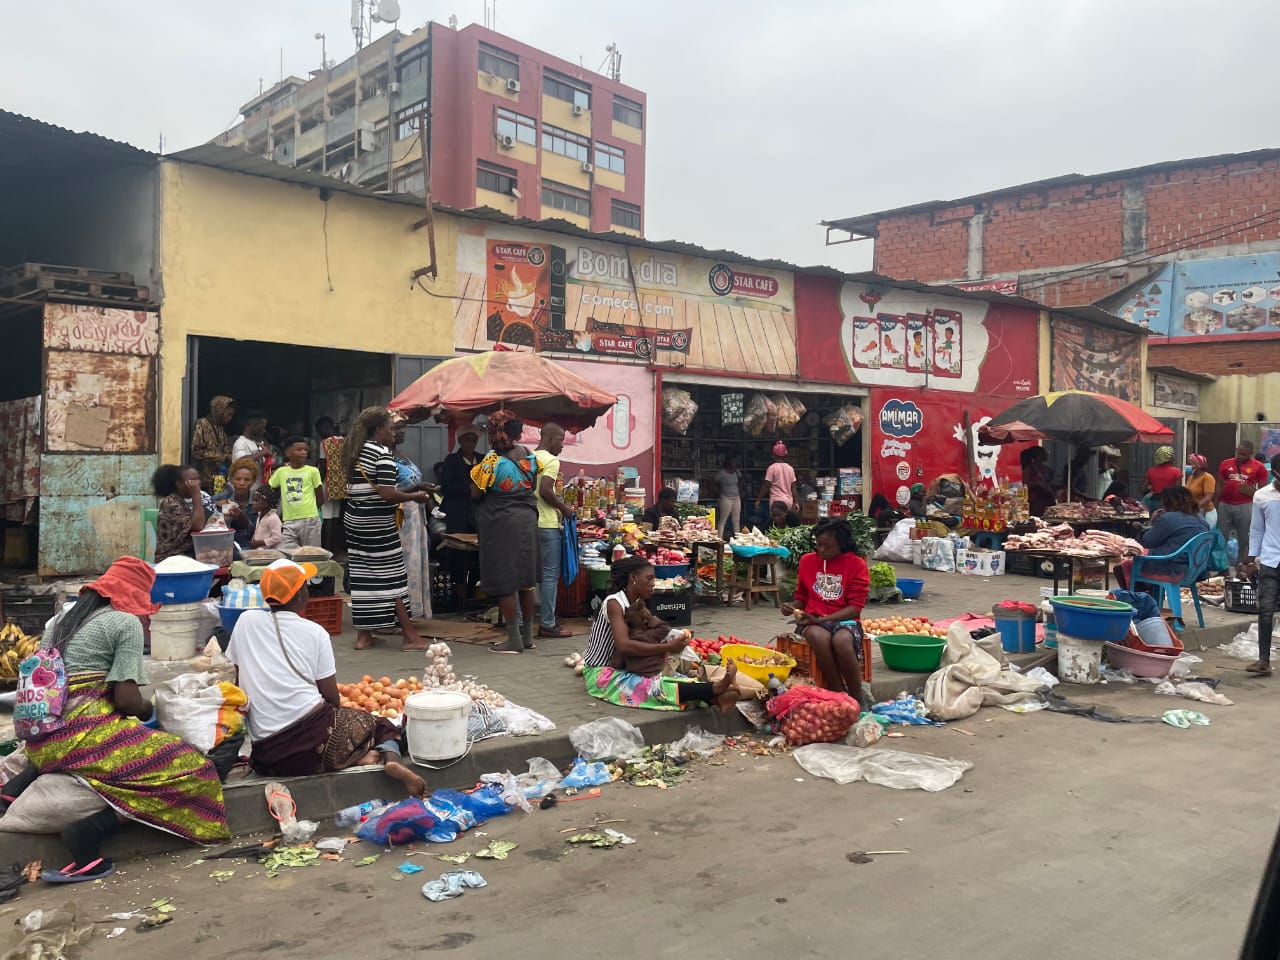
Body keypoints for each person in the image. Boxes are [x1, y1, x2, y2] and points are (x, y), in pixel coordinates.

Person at [4, 557, 229, 881]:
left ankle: (15, 787)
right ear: (135, 594)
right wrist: (153, 711)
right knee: (194, 767)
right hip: (81, 738)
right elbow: (126, 701)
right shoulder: (124, 624)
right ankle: (88, 835)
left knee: (88, 736)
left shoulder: (59, 622)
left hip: (42, 738)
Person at [227, 559, 426, 795]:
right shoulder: (315, 632)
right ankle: (391, 759)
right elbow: (331, 696)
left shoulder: (245, 622)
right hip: (313, 741)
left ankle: (354, 757)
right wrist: (341, 721)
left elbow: (237, 681)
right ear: (301, 593)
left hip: (268, 756)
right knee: (380, 725)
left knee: (327, 745)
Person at [581, 556, 740, 713]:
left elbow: (655, 630)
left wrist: (673, 638)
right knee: (653, 688)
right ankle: (716, 688)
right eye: (649, 578)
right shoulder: (614, 603)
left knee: (675, 679)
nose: (653, 583)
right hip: (601, 673)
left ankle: (715, 699)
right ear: (633, 578)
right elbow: (624, 645)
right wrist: (668, 647)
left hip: (624, 666)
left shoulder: (636, 603)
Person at [341, 407, 433, 652]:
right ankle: (410, 636)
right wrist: (417, 496)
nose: (395, 433)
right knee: (393, 577)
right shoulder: (381, 453)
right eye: (391, 428)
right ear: (378, 429)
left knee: (362, 576)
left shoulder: (354, 451)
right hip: (377, 523)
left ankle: (364, 636)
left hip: (354, 520)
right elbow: (388, 494)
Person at [470, 411, 540, 654]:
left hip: (501, 523)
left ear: (492, 433)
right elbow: (533, 484)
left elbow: (476, 494)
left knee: (505, 579)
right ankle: (527, 636)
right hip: (527, 520)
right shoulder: (528, 456)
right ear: (518, 433)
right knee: (525, 581)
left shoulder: (490, 461)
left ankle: (513, 640)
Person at [780, 518, 871, 706]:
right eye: (818, 545)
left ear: (842, 545)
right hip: (811, 622)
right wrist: (792, 606)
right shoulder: (807, 561)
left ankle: (857, 696)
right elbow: (802, 597)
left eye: (827, 546)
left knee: (842, 640)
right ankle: (839, 693)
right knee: (819, 636)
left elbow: (855, 607)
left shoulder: (856, 565)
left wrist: (823, 619)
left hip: (845, 620)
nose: (821, 550)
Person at [1115, 485, 1209, 590]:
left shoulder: (1168, 518)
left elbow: (1148, 541)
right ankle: (1150, 598)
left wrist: (1152, 523)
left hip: (1172, 569)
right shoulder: (1201, 519)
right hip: (1195, 569)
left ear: (1168, 502)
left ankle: (1140, 601)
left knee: (1121, 568)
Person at [391, 414, 437, 622]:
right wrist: (418, 487)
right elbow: (388, 490)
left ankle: (411, 611)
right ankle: (398, 612)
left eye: (403, 428)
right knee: (402, 564)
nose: (401, 432)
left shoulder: (402, 455)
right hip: (400, 516)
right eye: (397, 428)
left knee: (414, 563)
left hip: (415, 516)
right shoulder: (383, 457)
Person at [533, 423, 576, 640]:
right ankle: (548, 624)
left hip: (529, 523)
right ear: (550, 439)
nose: (562, 445)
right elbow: (545, 491)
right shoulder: (551, 461)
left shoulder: (530, 459)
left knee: (531, 575)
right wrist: (564, 509)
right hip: (547, 524)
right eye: (560, 440)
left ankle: (525, 622)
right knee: (550, 574)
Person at [1243, 452, 1280, 676]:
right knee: (1265, 610)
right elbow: (1256, 529)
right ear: (1275, 474)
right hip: (1270, 560)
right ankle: (1263, 660)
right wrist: (1251, 559)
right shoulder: (1262, 496)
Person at [439, 423, 481, 608]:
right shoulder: (452, 461)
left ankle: (473, 589)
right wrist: (467, 489)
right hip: (457, 514)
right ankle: (460, 595)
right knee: (458, 555)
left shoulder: (482, 460)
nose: (471, 443)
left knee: (478, 555)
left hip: (477, 515)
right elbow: (445, 487)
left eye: (474, 440)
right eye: (467, 439)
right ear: (460, 441)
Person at [1218, 441, 1269, 567]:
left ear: (1251, 454)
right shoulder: (1226, 463)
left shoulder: (1259, 467)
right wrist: (1216, 502)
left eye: (1244, 455)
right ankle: (1221, 565)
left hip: (1246, 505)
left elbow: (1263, 491)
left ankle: (1241, 564)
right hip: (1225, 504)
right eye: (1239, 453)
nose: (1241, 456)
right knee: (1221, 536)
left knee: (1244, 537)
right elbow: (1219, 485)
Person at [269, 436, 325, 551]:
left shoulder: (312, 471)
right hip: (289, 519)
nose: (303, 452)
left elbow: (320, 497)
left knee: (311, 553)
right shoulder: (281, 472)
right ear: (288, 453)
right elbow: (270, 487)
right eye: (299, 450)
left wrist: (310, 512)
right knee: (286, 552)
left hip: (310, 519)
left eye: (305, 450)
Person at [154, 464, 212, 563]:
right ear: (179, 484)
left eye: (198, 479)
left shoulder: (180, 501)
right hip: (173, 558)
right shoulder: (171, 504)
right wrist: (196, 496)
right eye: (193, 480)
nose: (197, 483)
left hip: (188, 554)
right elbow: (198, 526)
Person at [619, 600, 685, 676]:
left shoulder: (628, 638)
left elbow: (616, 663)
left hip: (635, 673)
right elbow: (665, 628)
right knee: (674, 655)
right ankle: (685, 671)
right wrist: (651, 618)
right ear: (644, 620)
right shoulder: (650, 634)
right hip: (656, 672)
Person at [191, 395, 235, 493]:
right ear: (220, 411)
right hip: (205, 479)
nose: (230, 418)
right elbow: (197, 451)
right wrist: (223, 457)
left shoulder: (220, 429)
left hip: (219, 478)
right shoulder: (203, 424)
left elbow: (225, 448)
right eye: (228, 414)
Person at [214, 459, 258, 550]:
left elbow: (255, 532)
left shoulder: (258, 501)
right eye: (238, 479)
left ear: (253, 481)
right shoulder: (223, 497)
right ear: (232, 480)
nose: (242, 483)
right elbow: (203, 503)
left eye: (247, 480)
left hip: (250, 547)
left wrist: (241, 516)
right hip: (224, 546)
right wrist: (216, 504)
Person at [756, 441, 797, 516]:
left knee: (776, 524)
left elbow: (766, 485)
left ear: (773, 455)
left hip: (776, 502)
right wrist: (795, 502)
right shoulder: (790, 468)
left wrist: (758, 499)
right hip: (788, 501)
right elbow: (793, 487)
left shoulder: (772, 468)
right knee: (786, 523)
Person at [1185, 453, 1217, 527]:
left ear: (1199, 466)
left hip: (1206, 512)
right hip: (1193, 512)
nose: (1189, 466)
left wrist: (1197, 506)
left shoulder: (1208, 477)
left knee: (1204, 533)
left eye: (1192, 464)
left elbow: (1208, 497)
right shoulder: (1191, 478)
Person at [1021, 447, 1054, 517]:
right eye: (1044, 453)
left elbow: (1050, 484)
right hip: (1035, 501)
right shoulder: (1029, 469)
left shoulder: (1048, 469)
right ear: (1038, 455)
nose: (1047, 454)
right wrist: (1037, 483)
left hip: (1048, 499)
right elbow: (1025, 484)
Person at [714, 455, 742, 540]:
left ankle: (738, 539)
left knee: (736, 520)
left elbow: (741, 480)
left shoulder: (737, 472)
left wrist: (740, 489)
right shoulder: (722, 473)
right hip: (726, 498)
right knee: (723, 520)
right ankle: (719, 539)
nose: (735, 464)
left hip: (736, 497)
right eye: (733, 462)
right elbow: (713, 481)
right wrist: (718, 493)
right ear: (728, 463)